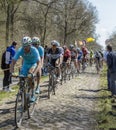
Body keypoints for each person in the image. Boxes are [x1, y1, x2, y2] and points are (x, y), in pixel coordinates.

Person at [10, 36, 41, 102]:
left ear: (30, 45)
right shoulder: (20, 50)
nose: (25, 48)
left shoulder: (34, 50)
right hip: (25, 64)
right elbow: (13, 62)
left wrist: (34, 73)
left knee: (30, 76)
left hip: (33, 64)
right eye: (24, 46)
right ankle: (23, 95)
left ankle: (32, 93)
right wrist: (11, 72)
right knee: (21, 77)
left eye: (26, 46)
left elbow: (39, 64)